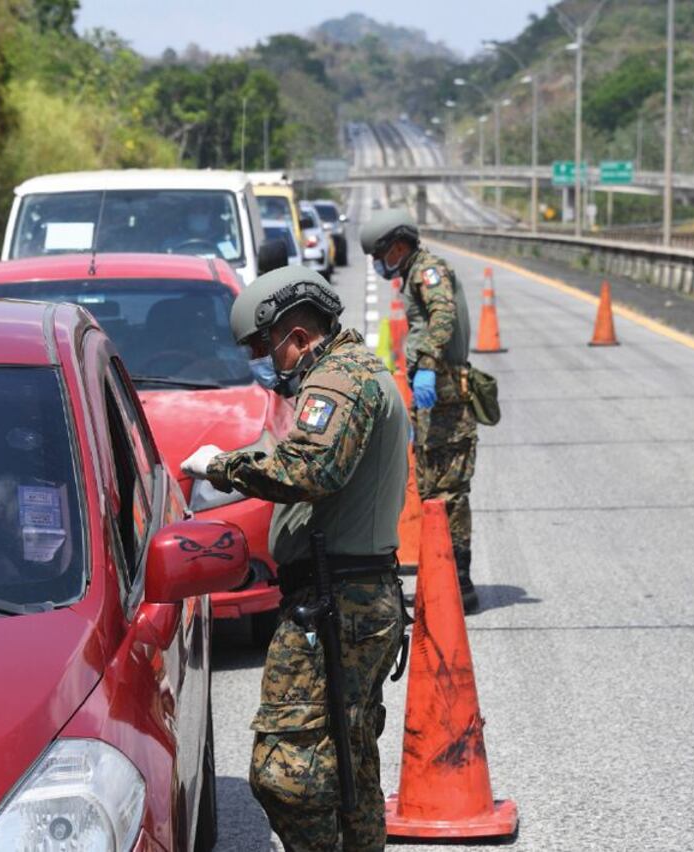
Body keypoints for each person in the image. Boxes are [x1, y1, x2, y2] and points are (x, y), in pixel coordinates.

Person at [181, 266, 409, 851]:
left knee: (285, 771)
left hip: (338, 601)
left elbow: (309, 469)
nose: (263, 362)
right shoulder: (345, 375)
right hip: (349, 595)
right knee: (348, 756)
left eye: (265, 349)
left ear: (300, 339)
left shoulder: (338, 380)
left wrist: (221, 467)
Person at [359, 208, 480, 613]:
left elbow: (442, 316)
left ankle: (458, 584)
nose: (378, 265)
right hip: (434, 401)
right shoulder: (413, 275)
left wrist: (426, 366)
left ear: (397, 247)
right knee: (432, 489)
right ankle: (441, 580)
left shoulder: (428, 272)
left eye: (380, 255)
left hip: (445, 397)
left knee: (447, 492)